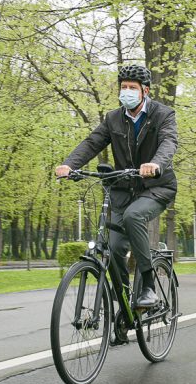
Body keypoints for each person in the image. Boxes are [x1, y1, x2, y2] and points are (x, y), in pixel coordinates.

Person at [55, 64, 177, 312]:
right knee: (113, 246)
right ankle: (123, 307)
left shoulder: (163, 114)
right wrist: (69, 165)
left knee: (134, 216)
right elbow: (92, 143)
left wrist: (155, 163)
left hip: (156, 188)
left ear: (145, 91)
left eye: (133, 88)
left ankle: (148, 287)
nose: (127, 92)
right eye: (124, 87)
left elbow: (169, 141)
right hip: (123, 190)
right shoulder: (113, 118)